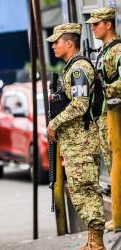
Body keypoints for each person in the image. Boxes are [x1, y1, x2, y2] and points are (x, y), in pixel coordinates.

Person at [46, 24, 105, 249]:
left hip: (82, 141)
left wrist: (54, 123)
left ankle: (97, 243)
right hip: (74, 142)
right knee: (80, 190)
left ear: (69, 43)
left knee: (86, 189)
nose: (53, 46)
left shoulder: (79, 69)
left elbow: (80, 105)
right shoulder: (70, 69)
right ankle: (92, 240)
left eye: (56, 42)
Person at [86, 6, 121, 232]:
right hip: (105, 116)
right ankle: (118, 215)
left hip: (116, 115)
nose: (93, 28)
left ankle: (118, 217)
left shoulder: (117, 51)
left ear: (108, 24)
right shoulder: (104, 51)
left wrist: (102, 90)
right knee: (112, 166)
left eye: (96, 24)